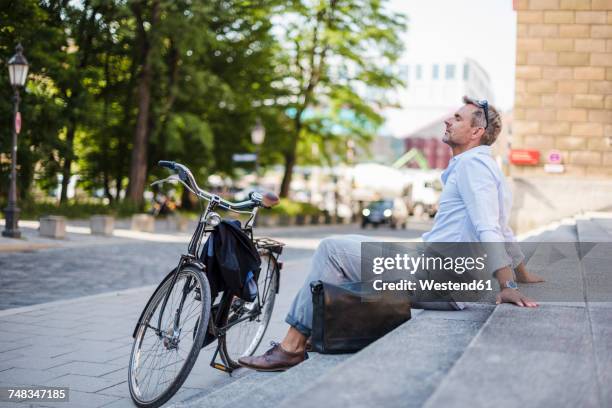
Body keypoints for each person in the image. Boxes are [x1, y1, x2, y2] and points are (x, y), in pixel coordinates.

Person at [239, 96, 545, 372]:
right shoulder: (485, 167)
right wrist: (523, 273)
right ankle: (319, 337)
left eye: (458, 118)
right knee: (343, 261)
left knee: (332, 249)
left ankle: (292, 347)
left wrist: (508, 284)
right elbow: (503, 227)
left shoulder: (472, 167)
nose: (448, 120)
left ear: (477, 132)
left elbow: (488, 228)